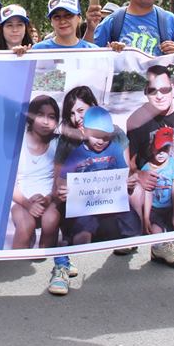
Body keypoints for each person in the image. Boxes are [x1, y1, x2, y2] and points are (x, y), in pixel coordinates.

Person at [31, 0, 95, 295]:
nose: (63, 21)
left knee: (78, 200)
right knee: (59, 197)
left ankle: (66, 253)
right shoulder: (38, 51)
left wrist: (119, 53)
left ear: (79, 18)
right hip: (52, 140)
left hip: (83, 141)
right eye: (56, 16)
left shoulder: (96, 51)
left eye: (68, 15)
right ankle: (61, 260)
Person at [124, 65, 174, 268]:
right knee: (133, 192)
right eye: (153, 91)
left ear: (173, 88)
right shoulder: (136, 121)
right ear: (146, 93)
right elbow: (129, 162)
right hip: (148, 176)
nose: (159, 96)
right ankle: (137, 235)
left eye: (164, 89)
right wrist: (139, 174)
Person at [57, 106, 139, 248]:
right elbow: (62, 178)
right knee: (82, 232)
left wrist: (130, 182)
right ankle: (82, 257)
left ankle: (129, 251)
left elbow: (124, 174)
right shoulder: (77, 155)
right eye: (96, 135)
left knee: (133, 223)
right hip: (86, 205)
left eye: (106, 137)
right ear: (84, 131)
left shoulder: (114, 149)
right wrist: (63, 188)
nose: (101, 141)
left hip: (113, 203)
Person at [11, 95, 61, 250]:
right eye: (40, 115)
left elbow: (59, 179)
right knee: (26, 225)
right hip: (21, 199)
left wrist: (47, 199)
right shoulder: (17, 142)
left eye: (51, 117)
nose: (46, 122)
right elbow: (8, 183)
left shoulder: (58, 143)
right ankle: (13, 267)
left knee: (51, 219)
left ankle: (44, 262)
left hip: (50, 198)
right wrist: (27, 203)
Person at [141, 127, 174, 235]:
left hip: (172, 207)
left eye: (165, 149)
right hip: (154, 210)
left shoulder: (173, 164)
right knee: (155, 232)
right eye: (158, 149)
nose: (161, 153)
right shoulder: (146, 168)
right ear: (152, 148)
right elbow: (147, 193)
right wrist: (146, 217)